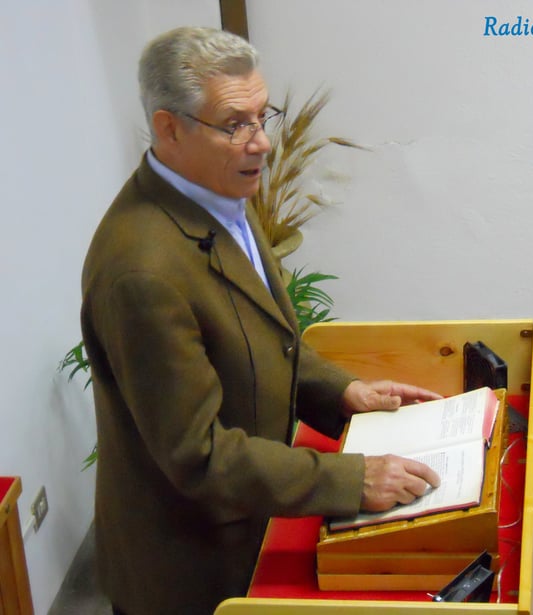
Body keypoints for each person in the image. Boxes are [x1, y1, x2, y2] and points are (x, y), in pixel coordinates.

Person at [80, 26, 441, 615]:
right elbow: (198, 456)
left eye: (261, 115)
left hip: (248, 522)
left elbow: (260, 344)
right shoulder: (141, 272)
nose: (262, 143)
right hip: (192, 569)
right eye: (234, 125)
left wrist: (344, 392)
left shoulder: (216, 198)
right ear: (169, 128)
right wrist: (351, 480)